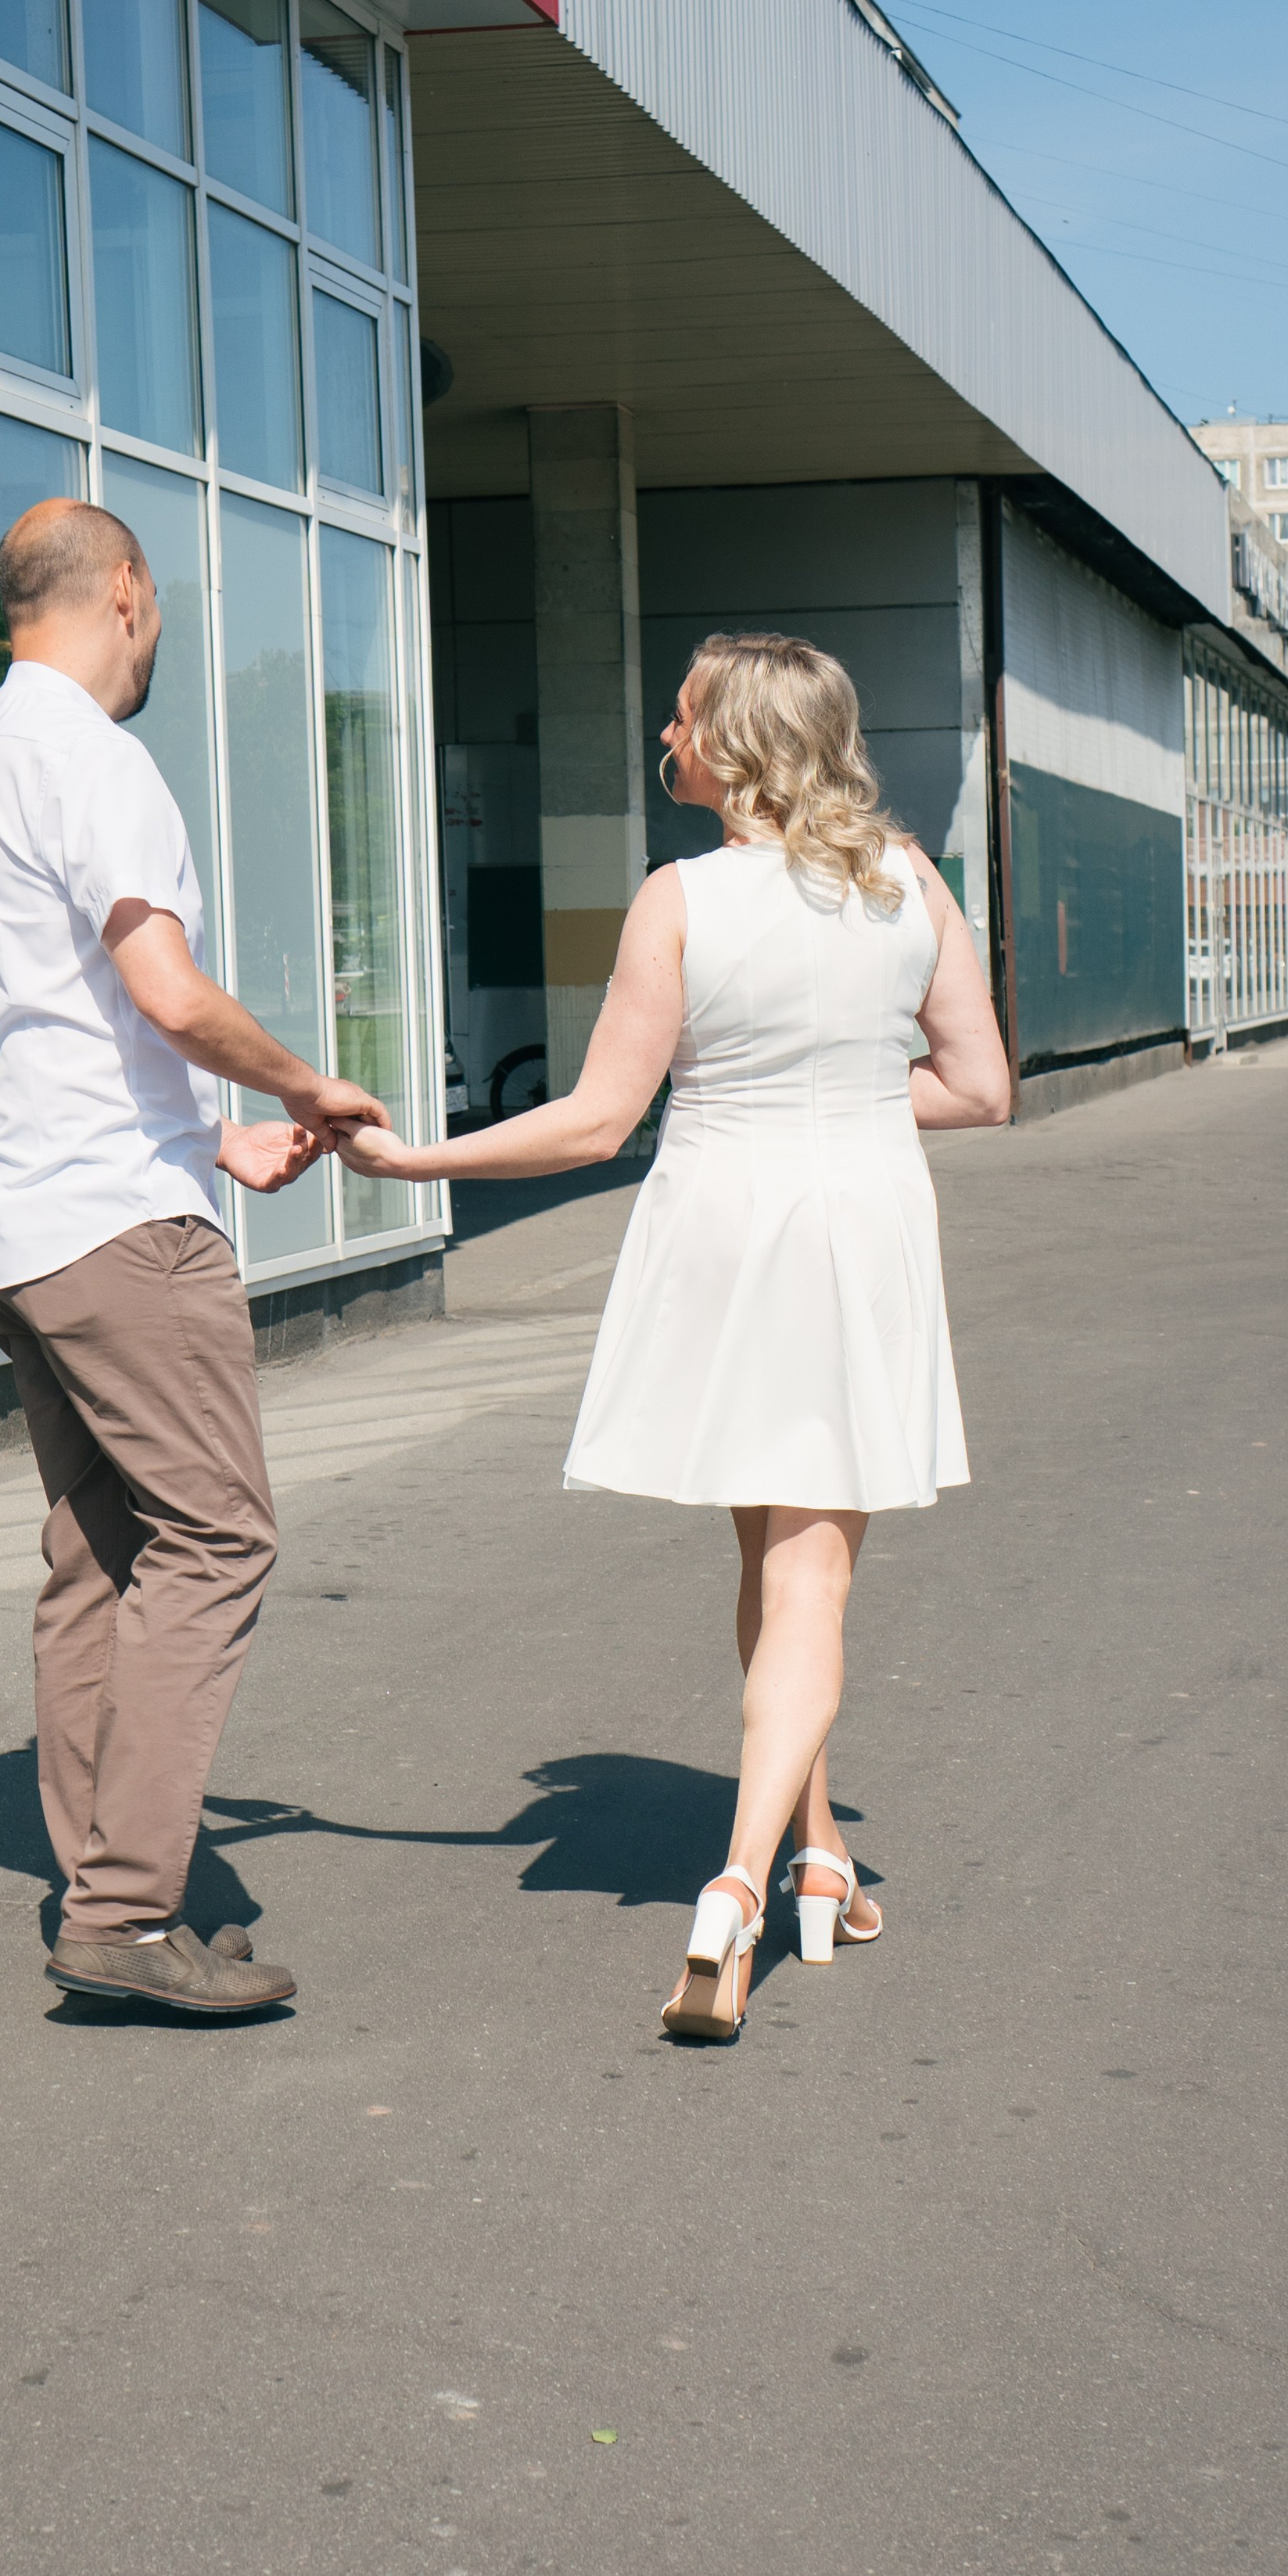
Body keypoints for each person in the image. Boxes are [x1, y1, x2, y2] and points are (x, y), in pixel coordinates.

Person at [338, 632, 1010, 2039]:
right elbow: (982, 1088)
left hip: (719, 1224)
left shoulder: (681, 897)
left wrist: (416, 1166)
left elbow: (597, 1121)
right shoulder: (910, 883)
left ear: (738, 743)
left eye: (686, 716)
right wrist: (850, 1109)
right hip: (855, 1224)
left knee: (771, 1560)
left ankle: (766, 1872)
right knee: (807, 1573)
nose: (666, 732)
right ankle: (773, 1874)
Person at [0, 500, 388, 2018]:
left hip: (20, 1224)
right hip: (113, 1232)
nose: (156, 646)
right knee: (217, 1541)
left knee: (96, 1558)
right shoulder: (94, 761)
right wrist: (297, 1086)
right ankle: (125, 1911)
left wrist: (206, 1146)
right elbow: (164, 991)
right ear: (124, 593)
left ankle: (113, 1896)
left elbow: (59, 1024)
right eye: (160, 614)